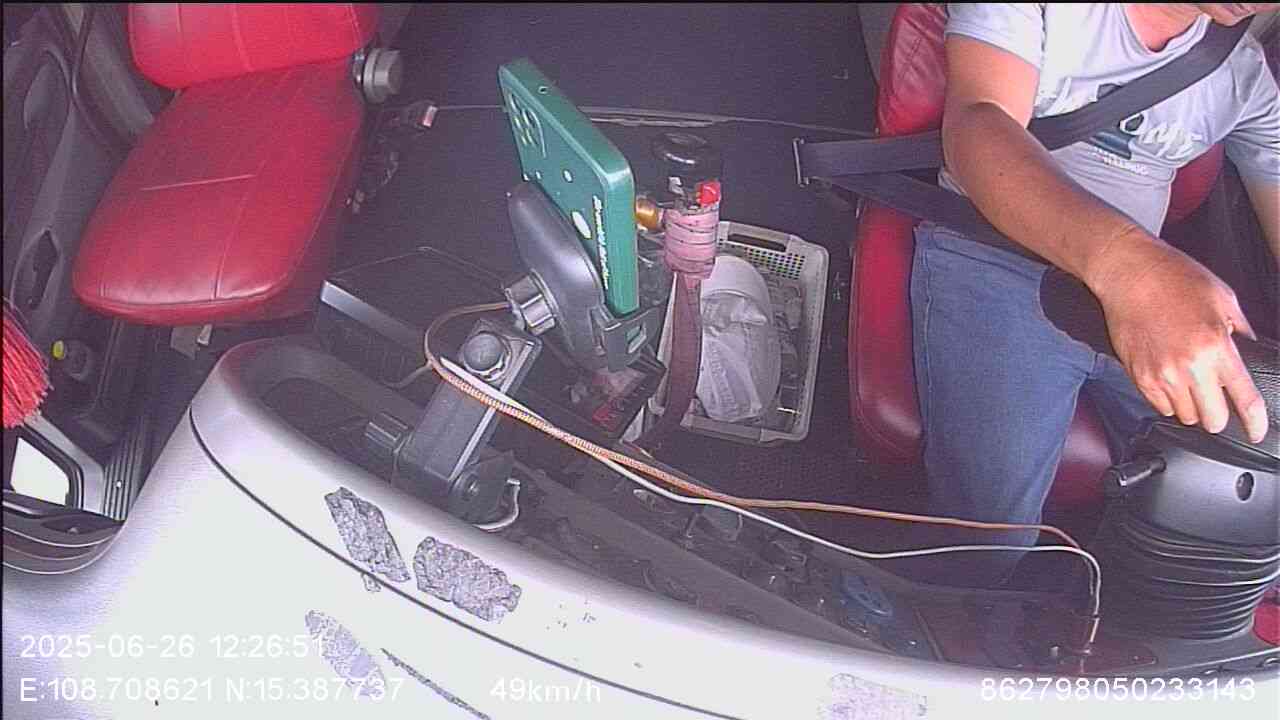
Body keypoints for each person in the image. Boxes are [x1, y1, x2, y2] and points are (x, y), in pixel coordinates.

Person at [912, 3, 1280, 586]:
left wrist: (1143, 282)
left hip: (1144, 305)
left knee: (1240, 507)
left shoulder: (1242, 72)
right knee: (989, 543)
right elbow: (979, 123)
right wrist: (1132, 267)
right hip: (995, 257)